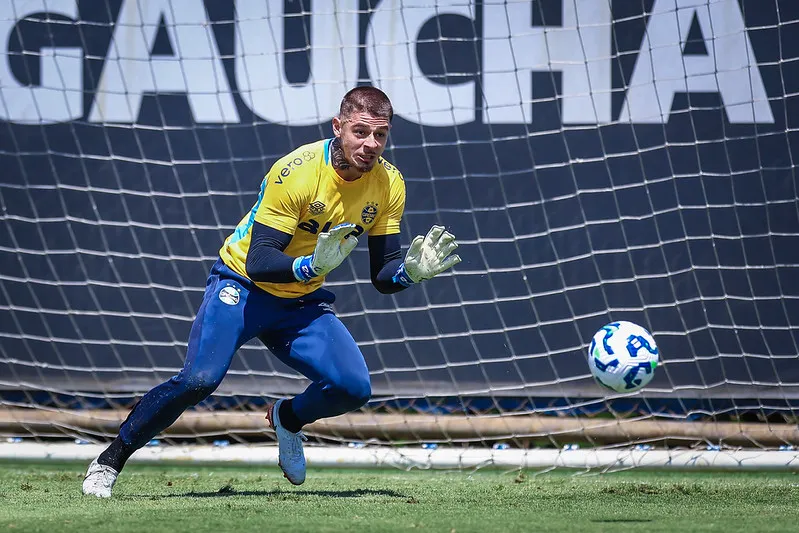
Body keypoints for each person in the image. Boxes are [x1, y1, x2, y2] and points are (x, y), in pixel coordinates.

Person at [82, 86, 461, 497]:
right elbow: (260, 260)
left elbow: (382, 276)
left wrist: (409, 272)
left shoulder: (389, 183)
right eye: (360, 131)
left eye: (381, 134)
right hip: (243, 286)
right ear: (338, 127)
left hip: (300, 302)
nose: (370, 145)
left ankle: (288, 418)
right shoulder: (296, 172)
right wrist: (311, 265)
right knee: (199, 380)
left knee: (354, 387)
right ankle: (110, 459)